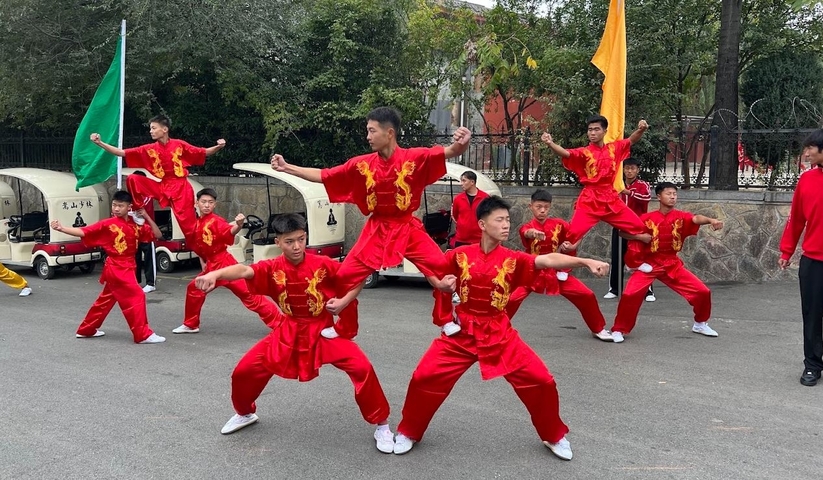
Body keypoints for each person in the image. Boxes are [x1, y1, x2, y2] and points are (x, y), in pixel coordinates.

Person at [392, 196, 609, 460]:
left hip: (499, 331)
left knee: (541, 380)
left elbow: (548, 260)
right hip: (461, 332)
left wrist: (584, 262)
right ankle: (409, 431)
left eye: (508, 220)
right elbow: (433, 268)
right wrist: (440, 285)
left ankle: (553, 435)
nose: (506, 225)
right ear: (482, 224)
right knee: (424, 378)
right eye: (500, 220)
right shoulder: (460, 255)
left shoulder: (514, 258)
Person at [194, 214, 394, 452]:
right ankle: (245, 413)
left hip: (323, 331)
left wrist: (343, 302)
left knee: (362, 367)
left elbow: (356, 278)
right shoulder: (272, 267)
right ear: (277, 242)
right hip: (288, 330)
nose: (297, 246)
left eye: (301, 239)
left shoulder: (323, 264)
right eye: (290, 241)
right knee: (244, 371)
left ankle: (382, 425)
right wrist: (214, 274)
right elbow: (244, 271)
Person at [271, 107, 469, 338]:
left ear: (389, 133)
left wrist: (463, 141)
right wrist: (287, 167)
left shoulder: (414, 157)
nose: (367, 136)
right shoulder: (361, 164)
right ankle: (344, 326)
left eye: (371, 131)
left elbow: (452, 150)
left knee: (442, 266)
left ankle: (446, 319)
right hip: (377, 228)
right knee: (344, 276)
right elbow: (325, 174)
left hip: (407, 227)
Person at [609, 182, 723, 343]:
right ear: (659, 196)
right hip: (649, 265)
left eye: (674, 194)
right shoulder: (646, 218)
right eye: (668, 193)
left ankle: (700, 323)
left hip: (671, 264)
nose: (672, 197)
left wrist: (711, 220)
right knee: (629, 294)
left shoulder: (681, 216)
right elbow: (623, 232)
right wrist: (639, 237)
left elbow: (696, 218)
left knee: (702, 292)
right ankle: (619, 329)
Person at [50, 190, 166, 344]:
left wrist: (145, 216)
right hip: (118, 267)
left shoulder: (136, 225)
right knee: (138, 296)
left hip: (125, 266)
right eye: (114, 205)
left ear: (129, 207)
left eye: (120, 206)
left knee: (105, 300)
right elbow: (84, 231)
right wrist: (62, 228)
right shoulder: (108, 224)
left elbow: (157, 235)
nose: (116, 208)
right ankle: (142, 334)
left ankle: (86, 329)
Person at [505, 189, 613, 341]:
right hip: (531, 272)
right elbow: (526, 232)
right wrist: (532, 233)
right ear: (531, 207)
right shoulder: (527, 226)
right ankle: (496, 329)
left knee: (586, 295)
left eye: (546, 207)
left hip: (555, 272)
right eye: (538, 206)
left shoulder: (559, 225)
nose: (542, 210)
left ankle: (598, 328)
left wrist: (573, 246)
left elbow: (576, 234)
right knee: (511, 299)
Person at [89, 114, 226, 233]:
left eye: (154, 128)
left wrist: (219, 147)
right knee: (133, 179)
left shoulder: (179, 144)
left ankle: (203, 248)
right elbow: (122, 152)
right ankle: (138, 211)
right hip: (163, 186)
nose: (151, 131)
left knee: (188, 229)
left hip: (181, 188)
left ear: (164, 129)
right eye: (150, 128)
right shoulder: (149, 149)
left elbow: (203, 152)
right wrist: (100, 143)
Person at [172, 188, 282, 334]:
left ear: (215, 205)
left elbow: (229, 231)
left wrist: (239, 225)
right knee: (194, 288)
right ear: (196, 203)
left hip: (225, 264)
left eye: (210, 202)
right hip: (211, 265)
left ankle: (280, 324)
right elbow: (199, 244)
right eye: (203, 202)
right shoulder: (197, 223)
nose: (206, 205)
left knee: (251, 295)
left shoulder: (216, 221)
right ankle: (191, 324)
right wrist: (202, 260)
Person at [541, 115, 652, 247]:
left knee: (639, 226)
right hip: (590, 200)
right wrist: (550, 143)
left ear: (605, 131)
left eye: (596, 129)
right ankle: (558, 263)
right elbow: (566, 153)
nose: (592, 133)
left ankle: (643, 260)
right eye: (590, 130)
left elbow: (630, 140)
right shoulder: (585, 152)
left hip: (611, 199)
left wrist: (642, 129)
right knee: (571, 236)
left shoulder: (613, 148)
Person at [779, 129, 823, 386]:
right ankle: (813, 364)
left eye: (810, 149)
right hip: (814, 261)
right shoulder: (806, 180)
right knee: (812, 314)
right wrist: (787, 250)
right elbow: (796, 218)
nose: (806, 153)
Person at [604, 157, 655, 301]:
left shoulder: (642, 185)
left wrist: (628, 192)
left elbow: (646, 198)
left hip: (638, 227)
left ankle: (648, 291)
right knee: (617, 257)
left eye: (633, 168)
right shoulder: (616, 185)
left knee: (641, 258)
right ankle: (614, 289)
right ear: (623, 170)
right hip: (619, 225)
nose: (629, 171)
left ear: (638, 170)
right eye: (627, 168)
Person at [130, 170, 158, 293]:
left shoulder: (147, 196)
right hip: (134, 233)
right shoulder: (132, 195)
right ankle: (136, 281)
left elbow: (138, 208)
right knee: (134, 258)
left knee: (148, 257)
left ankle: (151, 283)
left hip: (147, 231)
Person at [451, 170, 489, 248]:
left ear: (472, 182)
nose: (461, 184)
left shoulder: (485, 198)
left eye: (464, 181)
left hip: (479, 239)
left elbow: (488, 217)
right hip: (461, 239)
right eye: (461, 181)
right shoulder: (458, 199)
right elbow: (455, 215)